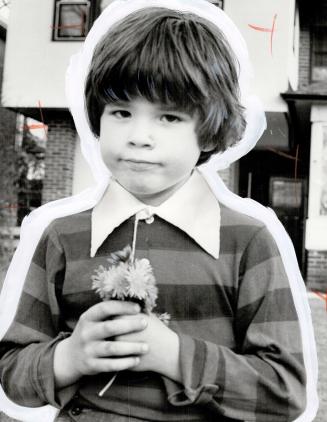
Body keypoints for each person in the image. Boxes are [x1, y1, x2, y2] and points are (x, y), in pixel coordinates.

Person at [0, 1, 318, 421]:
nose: (139, 136)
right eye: (121, 112)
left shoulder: (248, 241)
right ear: (98, 119)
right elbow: (11, 371)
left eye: (169, 116)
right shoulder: (62, 235)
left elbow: (285, 391)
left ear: (209, 131)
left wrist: (173, 355)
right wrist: (68, 357)